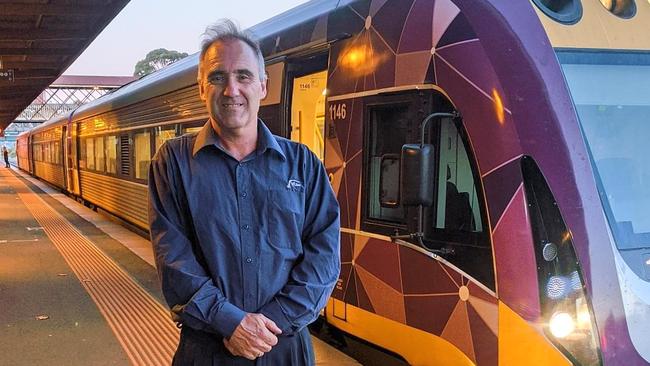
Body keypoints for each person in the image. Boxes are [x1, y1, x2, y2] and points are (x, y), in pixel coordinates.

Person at [148, 19, 340, 365]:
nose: (231, 89)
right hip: (208, 349)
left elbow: (323, 261)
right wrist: (231, 323)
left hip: (285, 348)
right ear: (201, 88)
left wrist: (266, 326)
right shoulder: (173, 163)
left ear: (263, 86)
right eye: (217, 77)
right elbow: (174, 261)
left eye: (243, 76)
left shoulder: (303, 164)